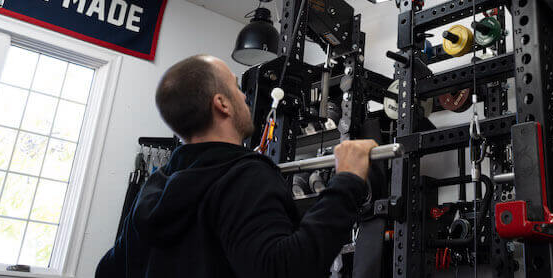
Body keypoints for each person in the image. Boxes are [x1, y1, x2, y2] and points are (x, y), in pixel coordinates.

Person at [96, 55, 377, 278]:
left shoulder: (154, 187)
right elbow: (284, 268)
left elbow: (107, 271)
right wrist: (348, 180)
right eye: (236, 87)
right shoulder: (244, 175)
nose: (244, 97)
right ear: (222, 104)